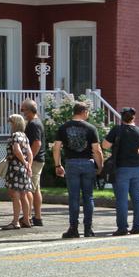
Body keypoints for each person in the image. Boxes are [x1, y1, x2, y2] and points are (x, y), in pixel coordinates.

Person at [102, 107, 139, 236]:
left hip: (122, 168)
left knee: (122, 199)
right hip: (138, 168)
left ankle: (122, 227)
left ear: (121, 117)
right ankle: (138, 226)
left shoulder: (117, 130)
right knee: (138, 198)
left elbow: (105, 145)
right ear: (134, 117)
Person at [53, 101, 104, 239]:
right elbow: (97, 150)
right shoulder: (91, 128)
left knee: (73, 197)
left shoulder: (63, 127)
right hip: (88, 163)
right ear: (84, 112)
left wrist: (57, 165)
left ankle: (73, 228)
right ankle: (88, 229)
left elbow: (56, 147)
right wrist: (100, 166)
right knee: (88, 197)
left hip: (71, 163)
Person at [3, 114, 33, 230]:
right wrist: (28, 165)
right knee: (24, 194)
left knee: (15, 195)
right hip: (24, 169)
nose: (9, 125)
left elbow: (16, 150)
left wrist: (23, 162)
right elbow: (29, 153)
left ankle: (15, 221)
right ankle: (26, 219)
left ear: (14, 124)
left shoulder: (15, 135)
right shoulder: (24, 136)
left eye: (11, 123)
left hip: (15, 168)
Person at [21, 98, 45, 227]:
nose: (22, 113)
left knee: (29, 188)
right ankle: (38, 217)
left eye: (23, 110)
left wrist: (29, 161)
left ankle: (28, 216)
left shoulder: (34, 124)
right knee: (36, 189)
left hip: (35, 160)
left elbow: (37, 143)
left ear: (30, 110)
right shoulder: (35, 122)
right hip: (38, 160)